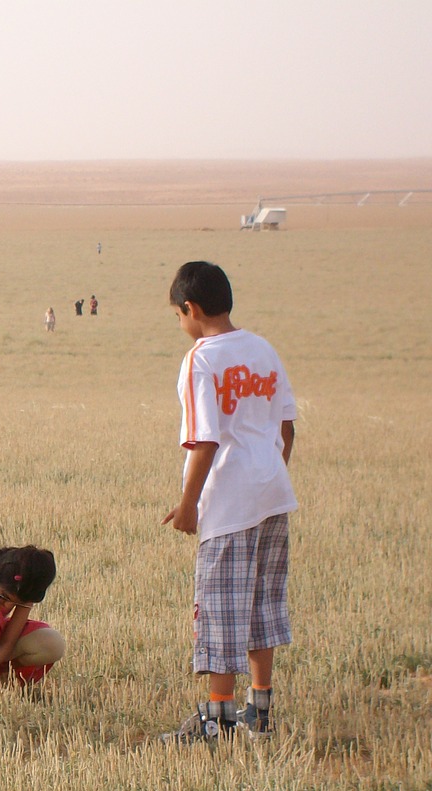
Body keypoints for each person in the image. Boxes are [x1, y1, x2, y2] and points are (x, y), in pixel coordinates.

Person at [160, 261, 297, 743]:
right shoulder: (263, 348)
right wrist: (270, 473)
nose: (181, 324)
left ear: (191, 309)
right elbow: (287, 427)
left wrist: (189, 504)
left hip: (230, 501)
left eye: (178, 315)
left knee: (220, 607)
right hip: (273, 493)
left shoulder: (202, 358)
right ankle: (260, 711)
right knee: (262, 604)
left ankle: (216, 720)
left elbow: (204, 440)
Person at [0, 546, 65, 686]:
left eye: (17, 604)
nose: (9, 606)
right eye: (4, 596)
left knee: (53, 643)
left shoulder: (26, 589)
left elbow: (7, 643)